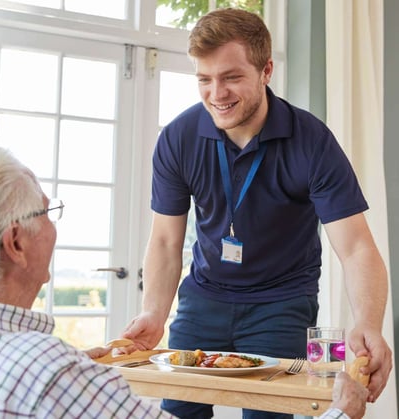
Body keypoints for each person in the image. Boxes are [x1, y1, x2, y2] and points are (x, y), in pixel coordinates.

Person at [121, 7, 392, 419]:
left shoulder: (312, 140)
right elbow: (164, 239)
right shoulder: (178, 138)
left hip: (281, 301)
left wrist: (369, 323)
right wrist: (154, 312)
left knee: (268, 414)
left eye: (231, 77)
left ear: (266, 70)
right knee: (178, 409)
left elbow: (356, 247)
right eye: (205, 80)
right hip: (204, 297)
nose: (217, 93)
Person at [0, 145, 173, 418]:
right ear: (16, 242)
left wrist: (73, 374)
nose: (52, 226)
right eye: (46, 212)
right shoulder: (48, 372)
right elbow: (36, 377)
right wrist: (67, 375)